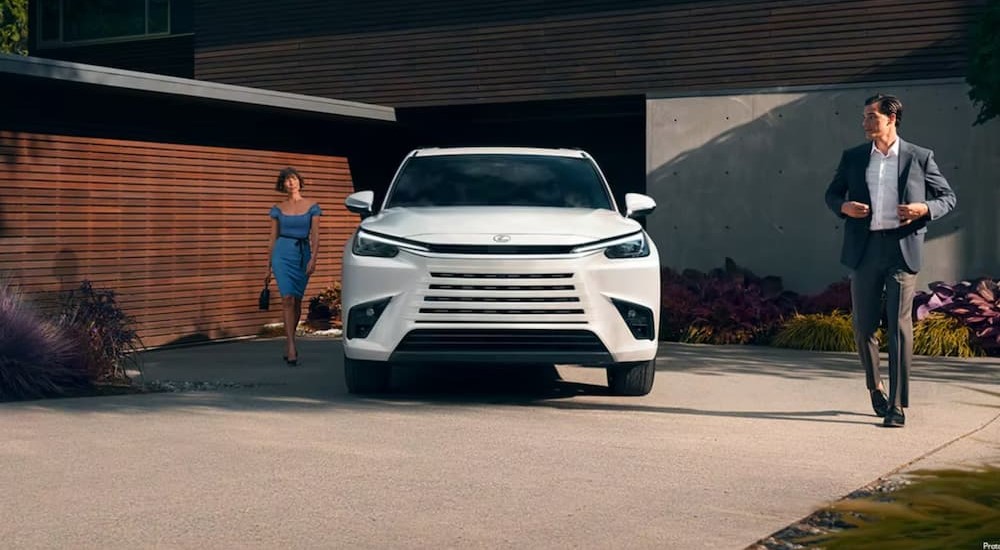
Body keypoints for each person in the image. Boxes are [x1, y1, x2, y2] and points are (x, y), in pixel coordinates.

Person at [824, 93, 956, 428]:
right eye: (865, 116)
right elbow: (832, 193)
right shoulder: (853, 157)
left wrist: (923, 209)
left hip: (901, 250)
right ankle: (875, 386)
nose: (865, 122)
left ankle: (896, 405)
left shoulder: (919, 157)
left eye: (872, 117)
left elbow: (947, 198)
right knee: (864, 326)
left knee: (898, 327)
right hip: (864, 250)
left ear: (891, 119)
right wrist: (844, 207)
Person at [267, 167, 322, 366]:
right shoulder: (278, 208)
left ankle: (291, 339)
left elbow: (315, 235)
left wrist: (313, 258)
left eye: (294, 179)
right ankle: (290, 345)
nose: (291, 182)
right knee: (287, 298)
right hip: (282, 253)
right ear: (282, 185)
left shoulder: (312, 206)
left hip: (302, 254)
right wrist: (268, 265)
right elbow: (272, 238)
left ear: (299, 181)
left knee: (297, 300)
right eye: (287, 180)